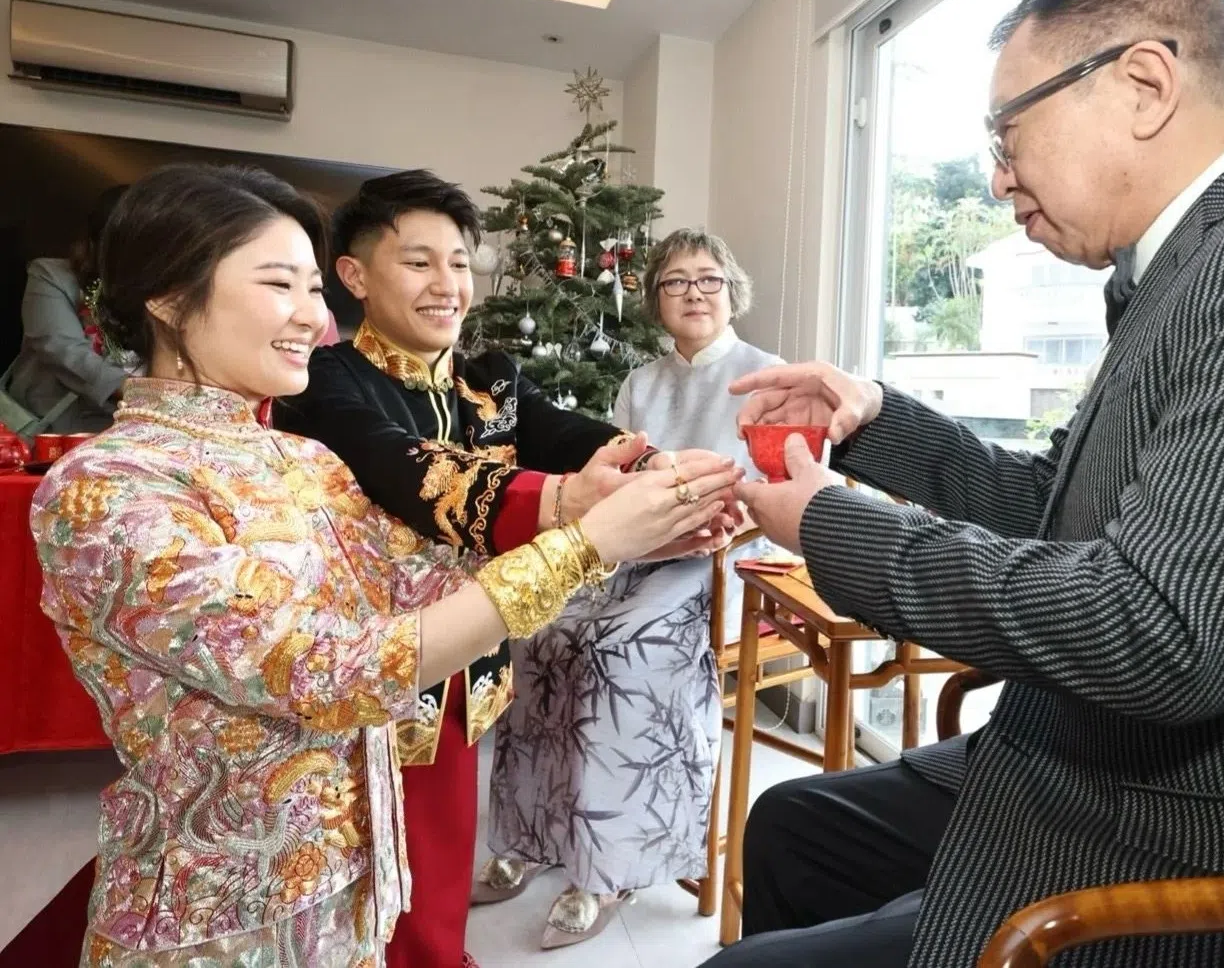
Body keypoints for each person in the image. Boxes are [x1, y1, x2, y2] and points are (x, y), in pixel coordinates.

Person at [708, 0, 1224, 967]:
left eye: (1009, 130)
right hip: (1069, 753)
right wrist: (873, 418)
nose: (996, 174)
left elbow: (1160, 629)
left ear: (1144, 82)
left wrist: (835, 527)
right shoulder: (1188, 263)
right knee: (791, 827)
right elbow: (1051, 501)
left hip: (1163, 826)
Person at [27, 162, 740, 967]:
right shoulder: (108, 485)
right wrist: (589, 533)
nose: (309, 317)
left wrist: (656, 519)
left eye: (309, 289)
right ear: (166, 296)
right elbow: (327, 668)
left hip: (352, 905)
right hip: (218, 923)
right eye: (278, 285)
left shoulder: (301, 462)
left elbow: (435, 580)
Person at [273, 171, 739, 967]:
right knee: (358, 869)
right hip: (365, 672)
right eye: (419, 263)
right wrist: (564, 505)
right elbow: (410, 471)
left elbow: (575, 434)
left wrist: (672, 481)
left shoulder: (489, 378)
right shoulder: (326, 381)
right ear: (353, 276)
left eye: (459, 263)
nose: (447, 284)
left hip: (469, 656)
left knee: (445, 843)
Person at [475, 228, 783, 947]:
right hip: (633, 551)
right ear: (655, 302)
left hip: (715, 560)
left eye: (708, 279)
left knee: (618, 651)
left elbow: (767, 494)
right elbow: (614, 479)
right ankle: (530, 838)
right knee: (539, 628)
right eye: (676, 282)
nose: (695, 293)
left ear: (732, 290)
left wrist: (690, 524)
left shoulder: (766, 374)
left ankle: (607, 868)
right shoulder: (640, 383)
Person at [6, 185, 130, 434]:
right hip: (48, 430)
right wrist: (140, 391)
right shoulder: (50, 275)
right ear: (97, 242)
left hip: (125, 432)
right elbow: (62, 350)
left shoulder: (164, 292)